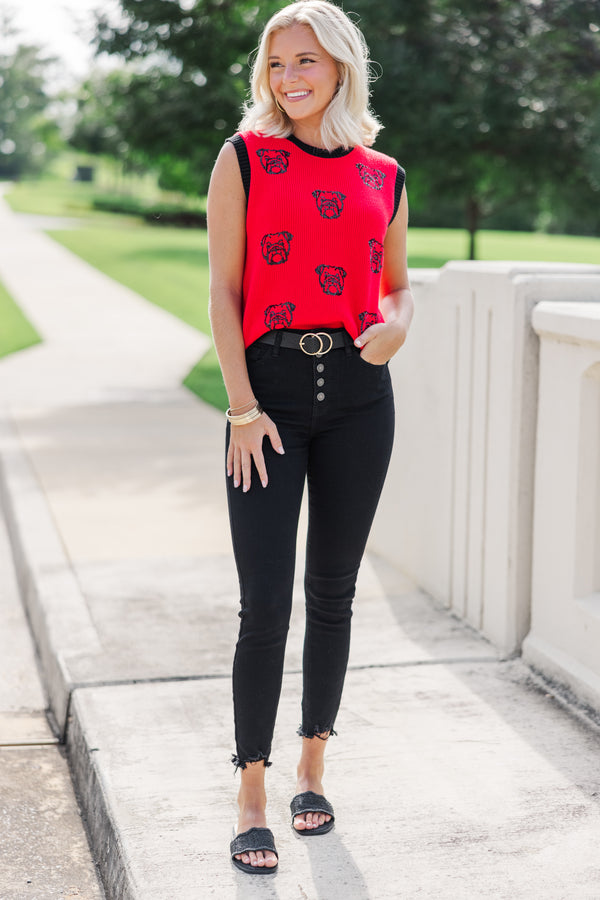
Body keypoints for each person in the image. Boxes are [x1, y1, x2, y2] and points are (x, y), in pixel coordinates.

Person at [207, 0, 414, 875]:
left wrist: (401, 322)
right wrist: (244, 408)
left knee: (334, 594)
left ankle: (312, 767)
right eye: (278, 63)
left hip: (363, 401)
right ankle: (251, 786)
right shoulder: (245, 158)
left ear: (341, 68)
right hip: (271, 402)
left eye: (308, 62)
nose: (290, 78)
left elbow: (396, 284)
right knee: (266, 605)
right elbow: (221, 292)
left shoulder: (385, 173)